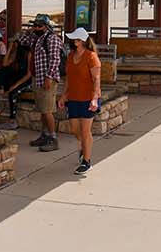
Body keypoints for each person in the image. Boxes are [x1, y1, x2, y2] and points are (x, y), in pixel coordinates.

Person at [60, 28, 102, 175]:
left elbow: (96, 79)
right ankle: (84, 149)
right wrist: (63, 95)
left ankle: (87, 161)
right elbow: (68, 79)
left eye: (77, 39)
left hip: (88, 99)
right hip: (73, 98)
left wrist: (95, 99)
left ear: (83, 41)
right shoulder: (71, 56)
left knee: (85, 132)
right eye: (73, 39)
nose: (74, 41)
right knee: (75, 130)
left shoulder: (91, 57)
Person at [22, 15, 63, 151]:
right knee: (42, 110)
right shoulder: (36, 38)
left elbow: (55, 59)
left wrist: (49, 77)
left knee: (48, 110)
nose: (36, 28)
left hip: (46, 79)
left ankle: (53, 138)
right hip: (37, 77)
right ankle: (44, 135)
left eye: (39, 26)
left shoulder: (52, 39)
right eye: (35, 25)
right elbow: (21, 40)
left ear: (46, 26)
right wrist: (29, 31)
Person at [0, 29, 33, 130]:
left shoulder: (29, 54)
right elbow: (5, 63)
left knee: (13, 92)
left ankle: (12, 120)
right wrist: (10, 49)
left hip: (27, 80)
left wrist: (15, 85)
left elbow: (29, 74)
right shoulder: (16, 53)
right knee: (4, 71)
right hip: (19, 78)